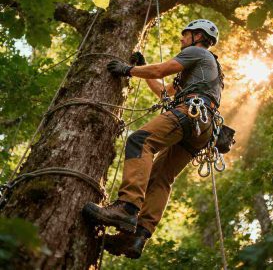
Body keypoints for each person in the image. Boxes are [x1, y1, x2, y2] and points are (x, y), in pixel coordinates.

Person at [82, 19, 224, 259]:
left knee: (140, 141)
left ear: (198, 36)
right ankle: (137, 236)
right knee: (161, 177)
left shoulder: (196, 52)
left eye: (185, 34)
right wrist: (142, 67)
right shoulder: (201, 71)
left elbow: (161, 70)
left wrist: (128, 70)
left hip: (190, 112)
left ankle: (126, 207)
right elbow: (162, 90)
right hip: (203, 127)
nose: (181, 39)